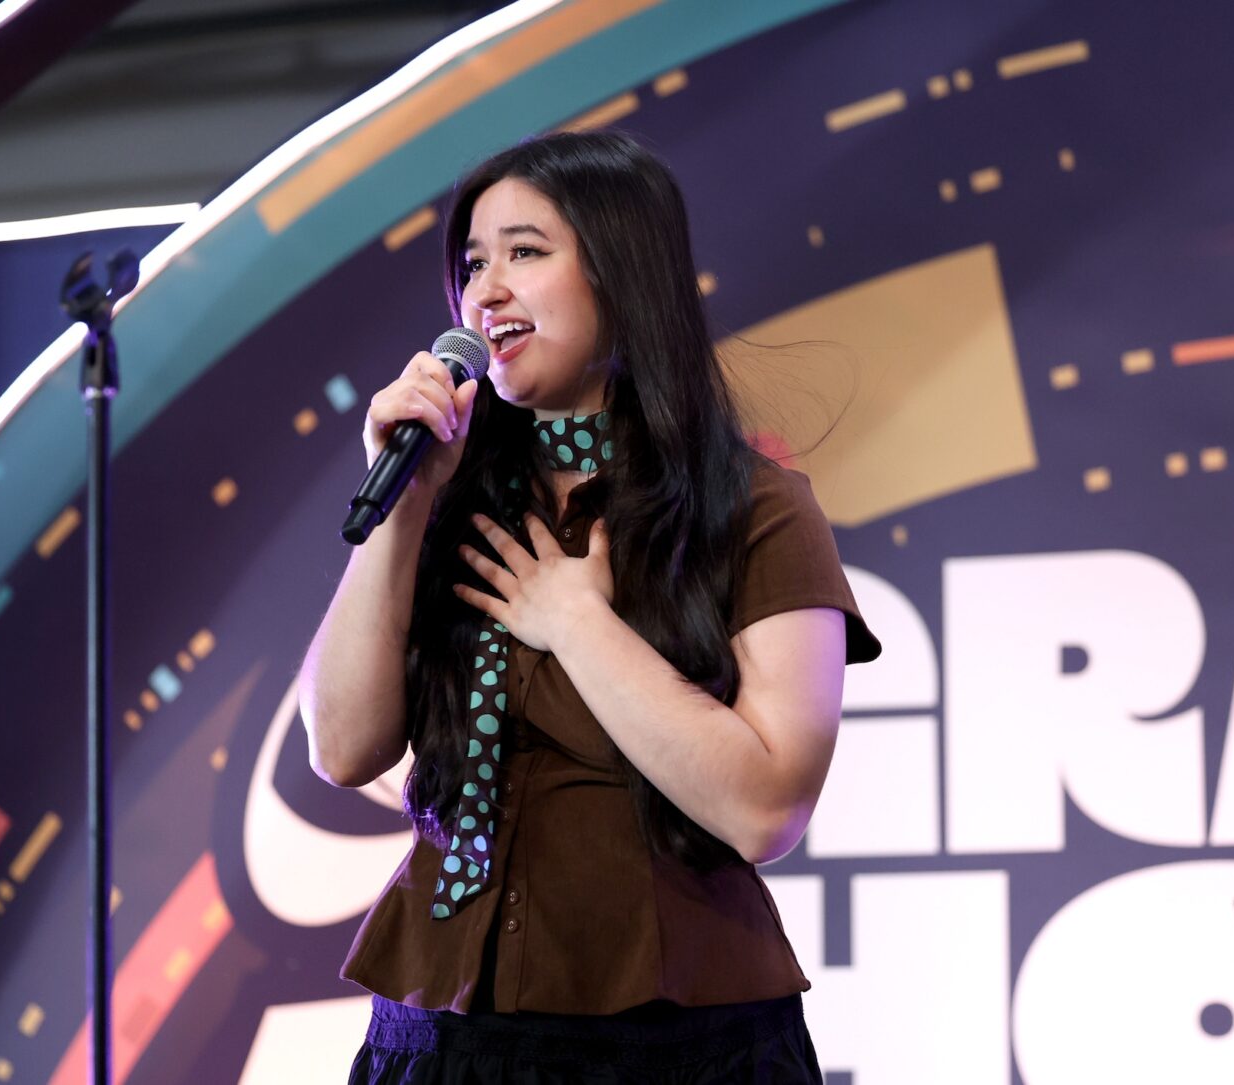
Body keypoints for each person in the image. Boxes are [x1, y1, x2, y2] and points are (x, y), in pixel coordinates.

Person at [299, 130, 881, 1083]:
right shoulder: (447, 495)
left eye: (525, 253)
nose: (486, 291)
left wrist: (579, 624)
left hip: (677, 1045)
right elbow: (341, 749)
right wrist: (403, 507)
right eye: (473, 263)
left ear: (623, 274)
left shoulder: (755, 507)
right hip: (443, 1039)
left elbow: (766, 806)